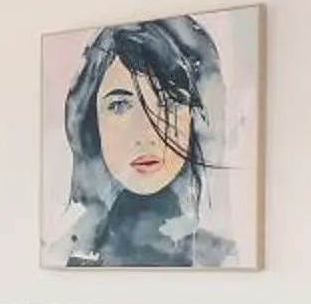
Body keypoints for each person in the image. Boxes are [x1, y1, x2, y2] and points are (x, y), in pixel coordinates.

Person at [45, 15, 236, 267]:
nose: (147, 133)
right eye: (120, 105)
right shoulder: (61, 257)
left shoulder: (225, 259)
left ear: (194, 116)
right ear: (92, 121)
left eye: (170, 100)